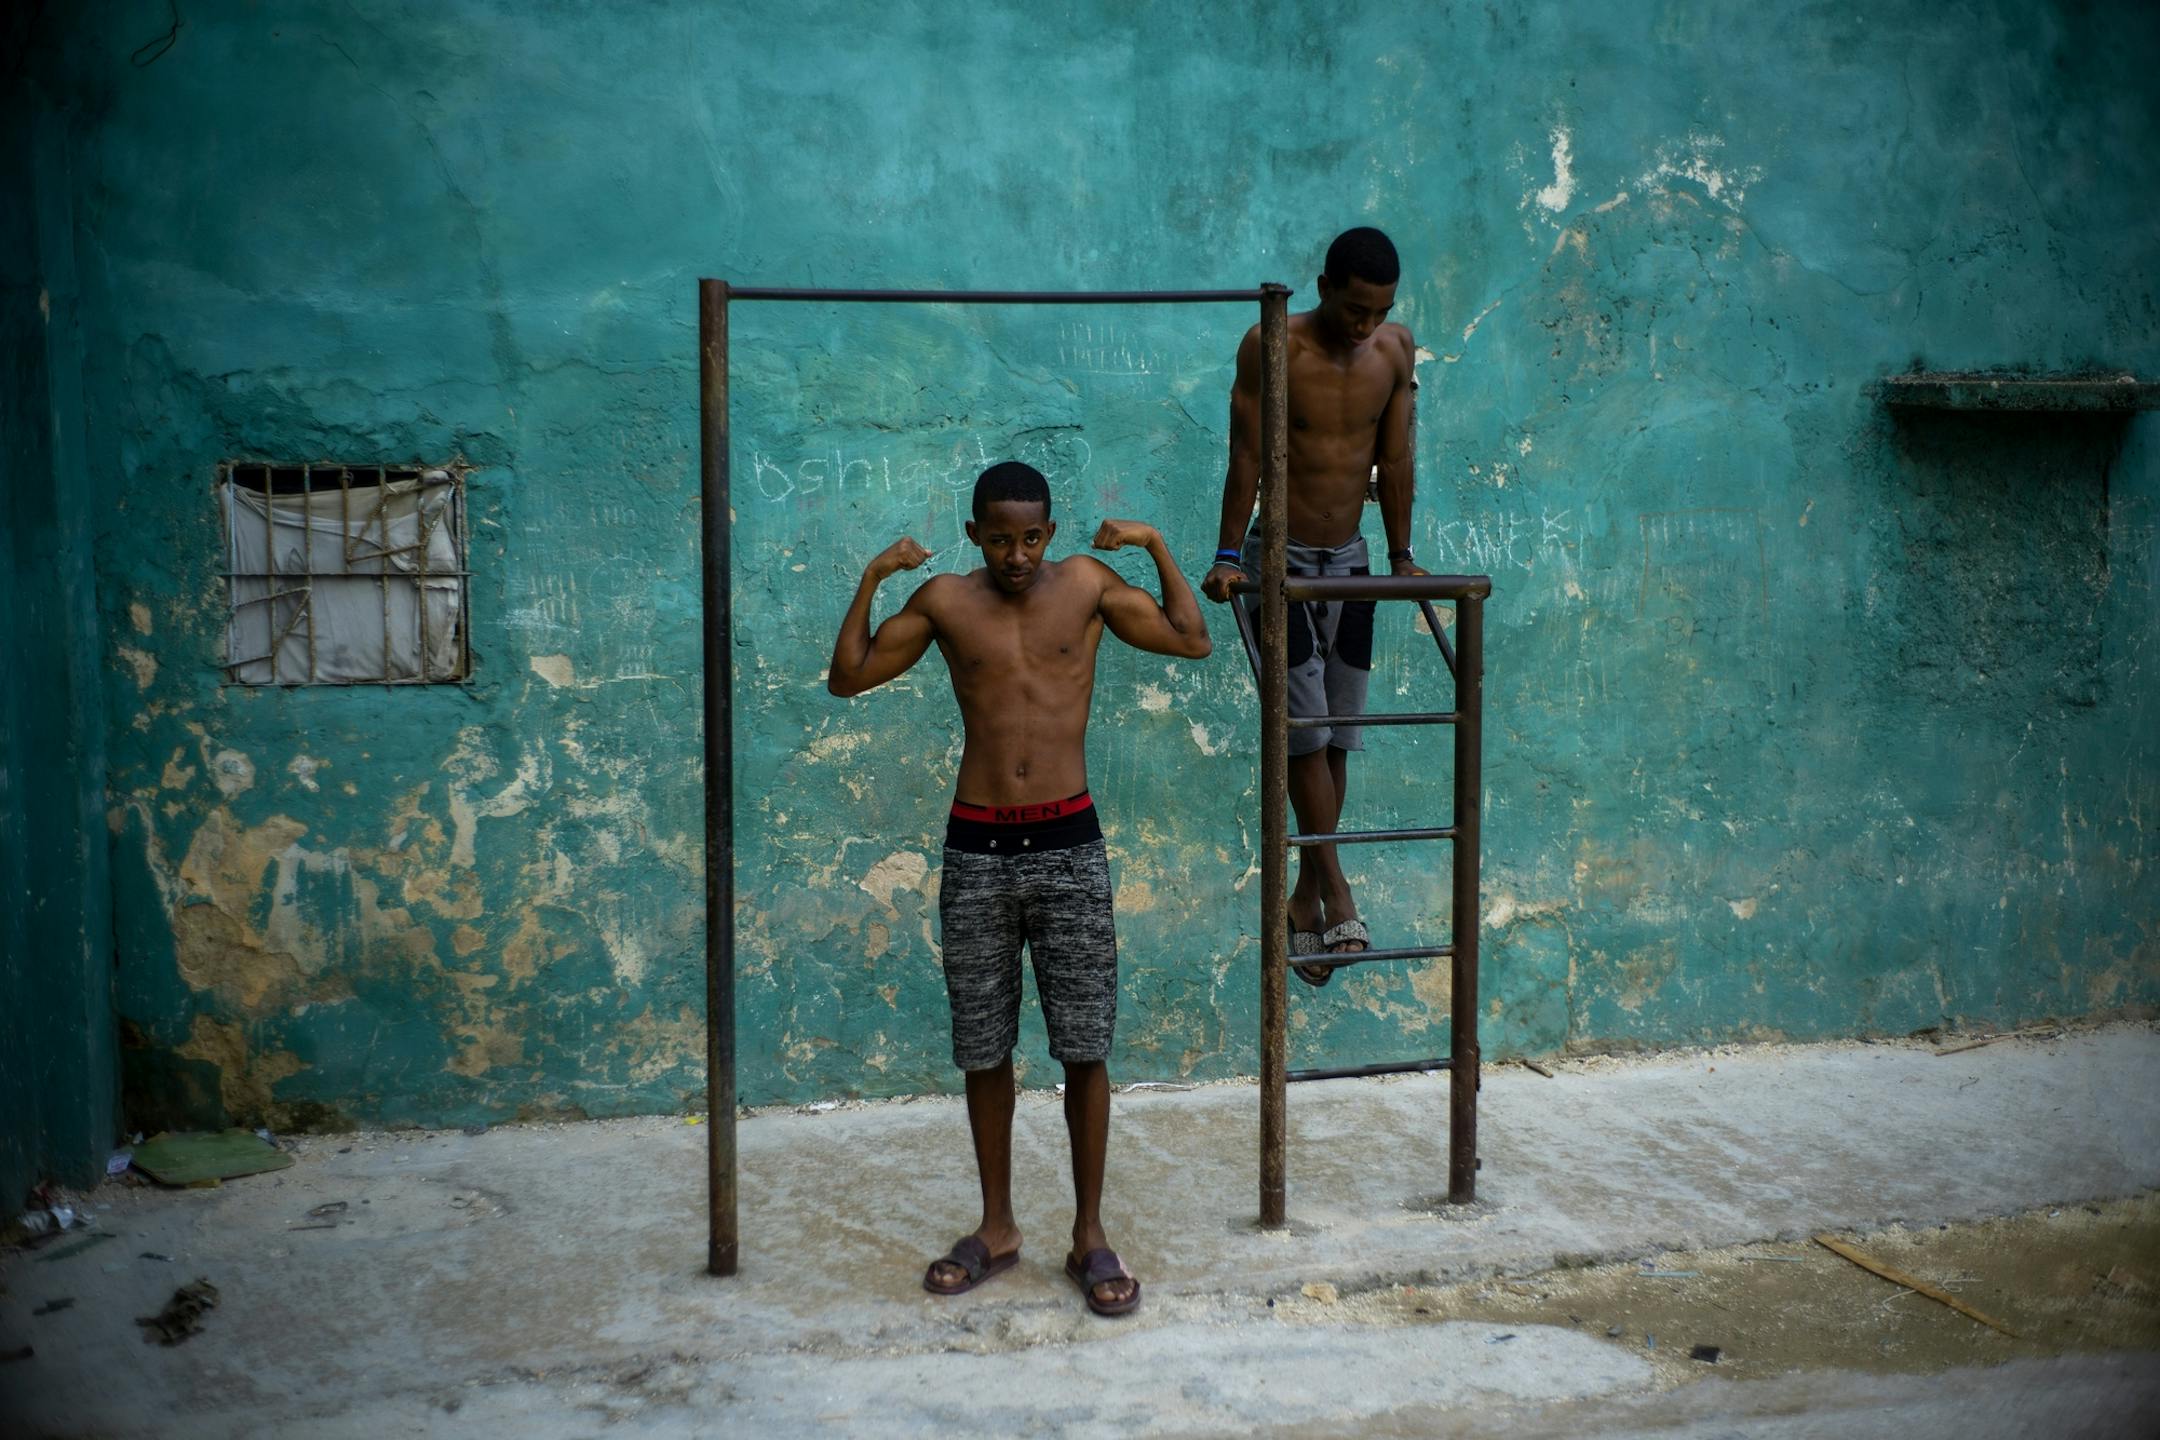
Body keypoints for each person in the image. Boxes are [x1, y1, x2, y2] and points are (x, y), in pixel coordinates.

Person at [826, 460, 1212, 1317]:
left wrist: (1151, 544)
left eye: (1031, 536)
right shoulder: (944, 601)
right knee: (982, 1046)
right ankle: (997, 1227)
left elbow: (1192, 636)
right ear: (975, 536)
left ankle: (1089, 1234)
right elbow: (847, 675)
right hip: (977, 849)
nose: (1017, 554)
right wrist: (872, 578)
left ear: (1050, 529)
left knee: (1084, 1045)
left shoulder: (1086, 585)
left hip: (1070, 843)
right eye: (999, 539)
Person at [1200, 226, 1426, 986]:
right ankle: (1336, 885)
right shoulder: (1275, 347)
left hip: (1353, 562)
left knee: (1336, 738)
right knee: (1302, 732)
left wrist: (1399, 555)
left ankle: (1303, 898)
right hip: (1280, 563)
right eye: (1355, 308)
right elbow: (1247, 456)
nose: (1365, 325)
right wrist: (1230, 555)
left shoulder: (1395, 353)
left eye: (1380, 311)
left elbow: (1393, 458)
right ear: (1324, 285)